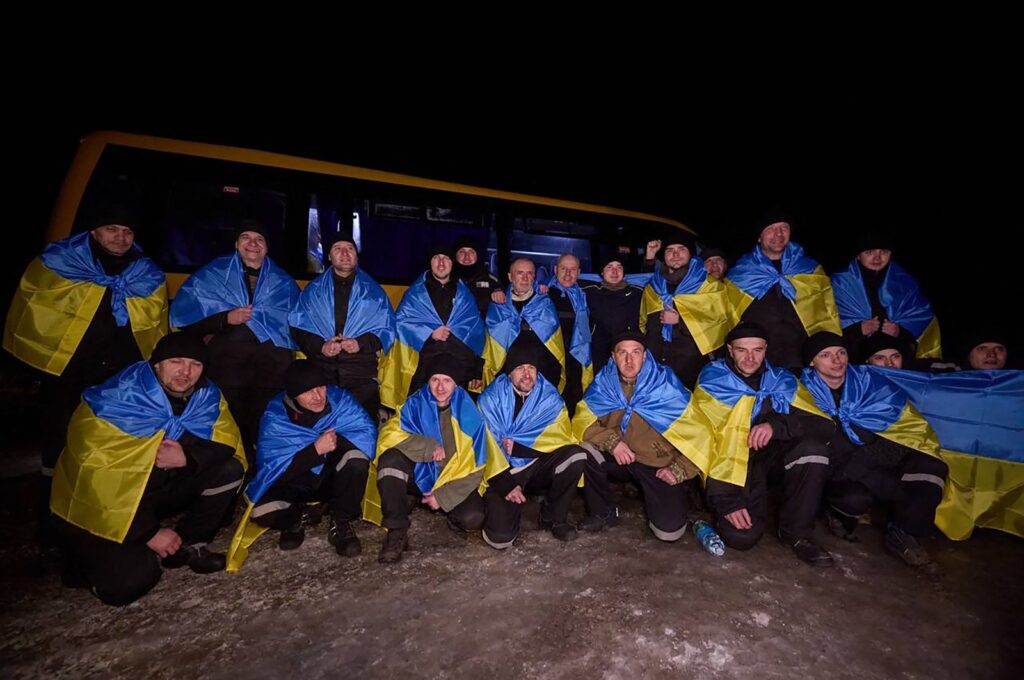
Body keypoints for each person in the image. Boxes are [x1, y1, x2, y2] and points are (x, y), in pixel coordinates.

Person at [4, 201, 167, 539]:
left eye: (127, 232)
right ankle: (53, 523)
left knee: (110, 445)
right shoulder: (61, 261)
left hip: (119, 376)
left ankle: (104, 518)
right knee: (60, 443)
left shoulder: (145, 272)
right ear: (94, 231)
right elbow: (37, 306)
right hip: (69, 372)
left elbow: (155, 324)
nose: (120, 237)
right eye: (112, 230)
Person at [50, 333, 245, 605]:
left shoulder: (205, 395)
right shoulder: (115, 400)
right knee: (129, 585)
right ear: (156, 365)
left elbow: (227, 441)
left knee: (229, 469)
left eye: (195, 364)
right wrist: (149, 533)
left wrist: (188, 457)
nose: (185, 372)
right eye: (176, 361)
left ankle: (189, 542)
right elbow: (94, 481)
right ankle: (82, 561)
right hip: (101, 505)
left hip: (156, 490)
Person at [799, 332, 948, 571]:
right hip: (840, 470)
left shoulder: (872, 382)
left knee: (931, 466)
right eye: (825, 355)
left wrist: (871, 461)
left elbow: (905, 432)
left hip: (877, 457)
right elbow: (822, 447)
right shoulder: (802, 392)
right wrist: (865, 469)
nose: (836, 360)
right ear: (811, 362)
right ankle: (838, 513)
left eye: (841, 353)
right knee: (854, 498)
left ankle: (904, 532)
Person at [693, 323, 833, 565]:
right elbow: (703, 441)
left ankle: (797, 533)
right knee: (741, 538)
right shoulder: (713, 380)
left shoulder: (781, 380)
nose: (750, 358)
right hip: (734, 469)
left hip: (773, 461)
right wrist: (727, 500)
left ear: (766, 349)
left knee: (813, 451)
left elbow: (822, 425)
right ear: (729, 349)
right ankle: (718, 509)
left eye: (757, 350)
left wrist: (776, 426)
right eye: (741, 350)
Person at [226, 361, 377, 569]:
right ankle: (297, 517)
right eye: (307, 391)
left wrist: (337, 441)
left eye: (320, 387)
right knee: (259, 511)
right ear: (293, 394)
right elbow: (273, 472)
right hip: (295, 484)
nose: (317, 396)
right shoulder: (276, 417)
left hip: (330, 479)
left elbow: (367, 437)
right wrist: (313, 451)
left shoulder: (341, 400)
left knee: (356, 458)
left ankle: (341, 520)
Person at [170, 220, 299, 460]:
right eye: (246, 238)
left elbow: (299, 326)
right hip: (226, 376)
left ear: (267, 247)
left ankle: (261, 485)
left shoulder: (284, 283)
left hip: (271, 377)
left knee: (266, 436)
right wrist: (225, 318)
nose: (253, 243)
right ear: (236, 243)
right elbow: (184, 322)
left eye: (259, 239)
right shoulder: (211, 276)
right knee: (229, 435)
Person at [364, 358, 506, 563]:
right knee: (390, 460)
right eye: (435, 380)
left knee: (473, 518)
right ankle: (396, 530)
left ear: (456, 384)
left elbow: (477, 466)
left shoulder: (470, 413)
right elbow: (388, 436)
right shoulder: (414, 403)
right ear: (427, 382)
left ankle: (440, 510)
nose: (440, 387)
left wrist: (443, 496)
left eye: (447, 381)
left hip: (451, 479)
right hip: (419, 471)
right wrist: (427, 446)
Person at [574, 333, 711, 543]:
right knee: (583, 450)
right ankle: (602, 511)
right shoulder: (604, 383)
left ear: (645, 356)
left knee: (669, 532)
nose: (629, 361)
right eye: (623, 353)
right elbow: (582, 423)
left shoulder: (665, 385)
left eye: (635, 353)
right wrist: (612, 442)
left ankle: (672, 495)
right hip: (620, 456)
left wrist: (680, 469)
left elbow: (701, 434)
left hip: (657, 463)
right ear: (613, 356)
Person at [477, 346, 588, 547]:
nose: (527, 374)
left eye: (531, 368)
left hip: (536, 465)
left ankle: (553, 518)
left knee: (576, 456)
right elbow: (485, 446)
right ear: (509, 373)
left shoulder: (550, 397)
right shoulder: (490, 399)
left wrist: (520, 448)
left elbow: (563, 437)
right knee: (500, 539)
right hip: (502, 470)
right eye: (520, 368)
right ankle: (496, 509)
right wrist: (506, 484)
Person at [289, 231, 395, 419]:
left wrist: (360, 343)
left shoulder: (374, 291)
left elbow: (386, 329)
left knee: (363, 433)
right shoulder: (313, 291)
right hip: (322, 379)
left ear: (356, 254)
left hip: (361, 377)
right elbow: (298, 328)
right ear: (329, 256)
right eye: (338, 249)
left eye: (350, 248)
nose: (345, 253)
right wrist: (322, 346)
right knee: (325, 434)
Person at [725, 211, 841, 371]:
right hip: (759, 360)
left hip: (805, 356)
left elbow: (830, 312)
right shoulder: (740, 274)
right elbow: (729, 318)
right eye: (771, 229)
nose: (778, 234)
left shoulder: (811, 269)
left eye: (784, 228)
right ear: (759, 237)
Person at [379, 246, 484, 409]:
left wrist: (477, 371)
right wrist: (428, 333)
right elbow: (400, 325)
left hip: (459, 371)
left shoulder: (464, 295)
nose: (441, 263)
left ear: (452, 263)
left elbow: (475, 334)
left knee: (455, 424)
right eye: (437, 257)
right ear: (430, 262)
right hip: (423, 371)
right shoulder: (415, 294)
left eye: (446, 258)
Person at [640, 230, 730, 388]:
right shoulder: (653, 287)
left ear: (691, 254)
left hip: (692, 368)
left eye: (681, 249)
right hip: (656, 368)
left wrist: (681, 321)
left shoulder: (709, 286)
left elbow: (720, 325)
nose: (675, 254)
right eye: (670, 250)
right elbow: (644, 324)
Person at [832, 235, 941, 363]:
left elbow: (922, 320)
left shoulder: (906, 282)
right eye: (869, 252)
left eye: (884, 251)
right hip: (853, 359)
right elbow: (825, 325)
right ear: (858, 255)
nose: (877, 257)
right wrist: (857, 330)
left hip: (898, 358)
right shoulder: (840, 283)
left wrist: (900, 331)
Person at [482, 257, 565, 390]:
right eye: (520, 273)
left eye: (530, 273)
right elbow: (491, 351)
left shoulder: (545, 304)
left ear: (534, 277)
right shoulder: (498, 307)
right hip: (506, 382)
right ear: (510, 277)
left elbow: (554, 349)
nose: (525, 278)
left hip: (542, 380)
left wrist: (551, 382)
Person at [544, 253, 593, 415]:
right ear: (556, 270)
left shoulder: (584, 296)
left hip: (575, 360)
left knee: (573, 405)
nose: (567, 274)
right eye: (564, 269)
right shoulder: (542, 294)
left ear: (579, 272)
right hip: (549, 362)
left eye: (572, 270)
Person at [581, 255, 644, 373]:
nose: (615, 271)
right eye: (609, 267)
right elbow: (566, 281)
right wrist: (543, 288)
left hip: (628, 352)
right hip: (599, 352)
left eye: (619, 267)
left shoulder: (638, 293)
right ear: (602, 272)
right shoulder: (590, 291)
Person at [452, 235, 501, 317]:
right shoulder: (446, 279)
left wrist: (498, 292)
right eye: (462, 252)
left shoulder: (491, 280)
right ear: (455, 255)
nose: (466, 256)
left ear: (477, 255)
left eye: (471, 252)